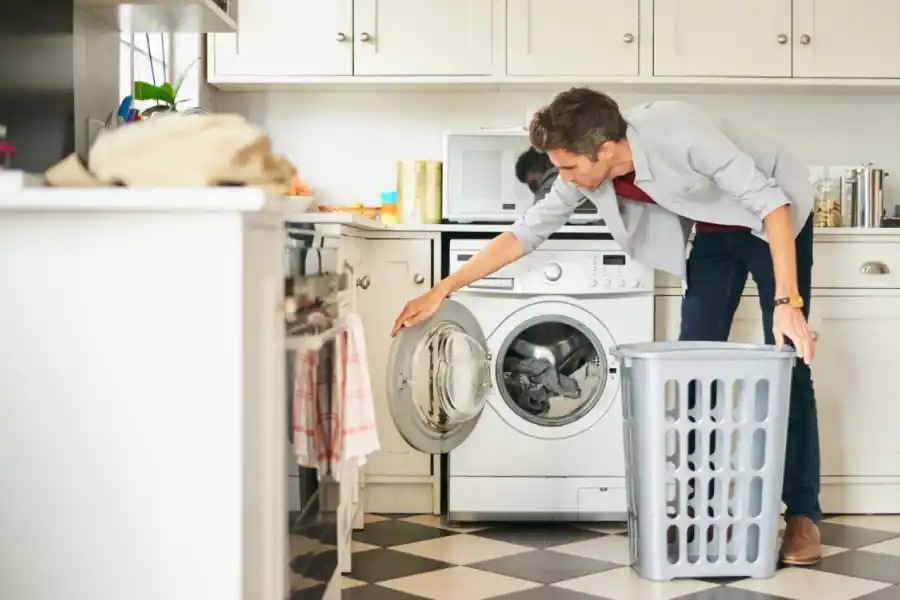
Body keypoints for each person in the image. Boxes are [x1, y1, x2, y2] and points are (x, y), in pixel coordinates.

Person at [392, 87, 822, 565]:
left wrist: (788, 302)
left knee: (789, 360)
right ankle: (700, 510)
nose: (566, 178)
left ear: (606, 149)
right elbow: (525, 233)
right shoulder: (588, 170)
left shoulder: (680, 130)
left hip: (776, 216)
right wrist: (442, 289)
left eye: (571, 166)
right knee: (694, 372)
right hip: (715, 231)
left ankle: (803, 515)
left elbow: (771, 203)